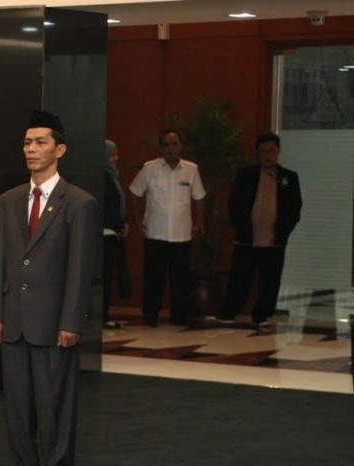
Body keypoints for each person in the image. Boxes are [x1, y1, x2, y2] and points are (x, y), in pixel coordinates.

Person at [0, 110, 98, 466]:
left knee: (55, 403)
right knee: (16, 402)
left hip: (54, 323)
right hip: (14, 320)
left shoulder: (79, 203)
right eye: (27, 143)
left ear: (60, 149)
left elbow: (79, 271)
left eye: (40, 143)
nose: (31, 150)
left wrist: (71, 321)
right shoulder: (9, 200)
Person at [210, 131, 302, 331]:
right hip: (247, 238)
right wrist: (241, 226)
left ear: (278, 152)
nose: (267, 155)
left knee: (270, 280)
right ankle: (228, 313)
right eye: (263, 152)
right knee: (239, 278)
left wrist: (284, 232)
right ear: (257, 154)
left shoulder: (289, 177)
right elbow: (234, 203)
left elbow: (295, 208)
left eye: (271, 151)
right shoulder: (246, 175)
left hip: (274, 240)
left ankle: (262, 316)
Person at [129, 129, 205, 327]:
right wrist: (138, 221)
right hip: (155, 233)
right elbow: (135, 193)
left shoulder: (191, 169)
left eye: (174, 143)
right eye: (166, 144)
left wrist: (199, 222)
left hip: (182, 235)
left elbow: (199, 197)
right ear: (161, 148)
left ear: (180, 146)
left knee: (180, 280)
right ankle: (150, 317)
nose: (171, 148)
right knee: (153, 279)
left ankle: (179, 318)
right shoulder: (149, 168)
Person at [102, 139, 130, 329]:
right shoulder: (102, 178)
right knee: (103, 278)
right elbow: (108, 207)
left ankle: (104, 314)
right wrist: (119, 225)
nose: (116, 159)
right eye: (112, 155)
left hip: (112, 234)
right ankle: (102, 316)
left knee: (108, 277)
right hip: (104, 234)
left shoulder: (111, 177)